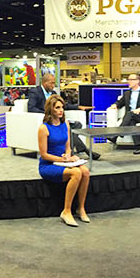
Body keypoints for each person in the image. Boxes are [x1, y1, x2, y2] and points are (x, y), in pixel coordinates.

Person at [38, 96, 91, 227]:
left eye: (62, 107)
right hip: (48, 165)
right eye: (57, 108)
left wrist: (68, 155)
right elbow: (44, 155)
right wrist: (63, 159)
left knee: (85, 171)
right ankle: (66, 211)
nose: (61, 110)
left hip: (64, 161)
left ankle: (81, 208)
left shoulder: (65, 124)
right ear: (50, 109)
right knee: (76, 173)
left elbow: (67, 146)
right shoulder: (43, 128)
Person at [28, 74, 99, 159]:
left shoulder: (53, 93)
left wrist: (78, 107)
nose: (53, 86)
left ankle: (73, 150)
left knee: (76, 125)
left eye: (54, 83)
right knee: (70, 130)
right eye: (51, 83)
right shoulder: (35, 92)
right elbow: (31, 108)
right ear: (44, 82)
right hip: (45, 120)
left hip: (57, 119)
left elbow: (63, 105)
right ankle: (84, 151)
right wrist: (47, 114)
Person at [112, 74, 140, 155]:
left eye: (131, 79)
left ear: (137, 81)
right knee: (131, 122)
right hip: (131, 116)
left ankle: (116, 135)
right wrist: (115, 105)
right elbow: (120, 102)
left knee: (130, 114)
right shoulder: (127, 93)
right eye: (128, 79)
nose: (129, 81)